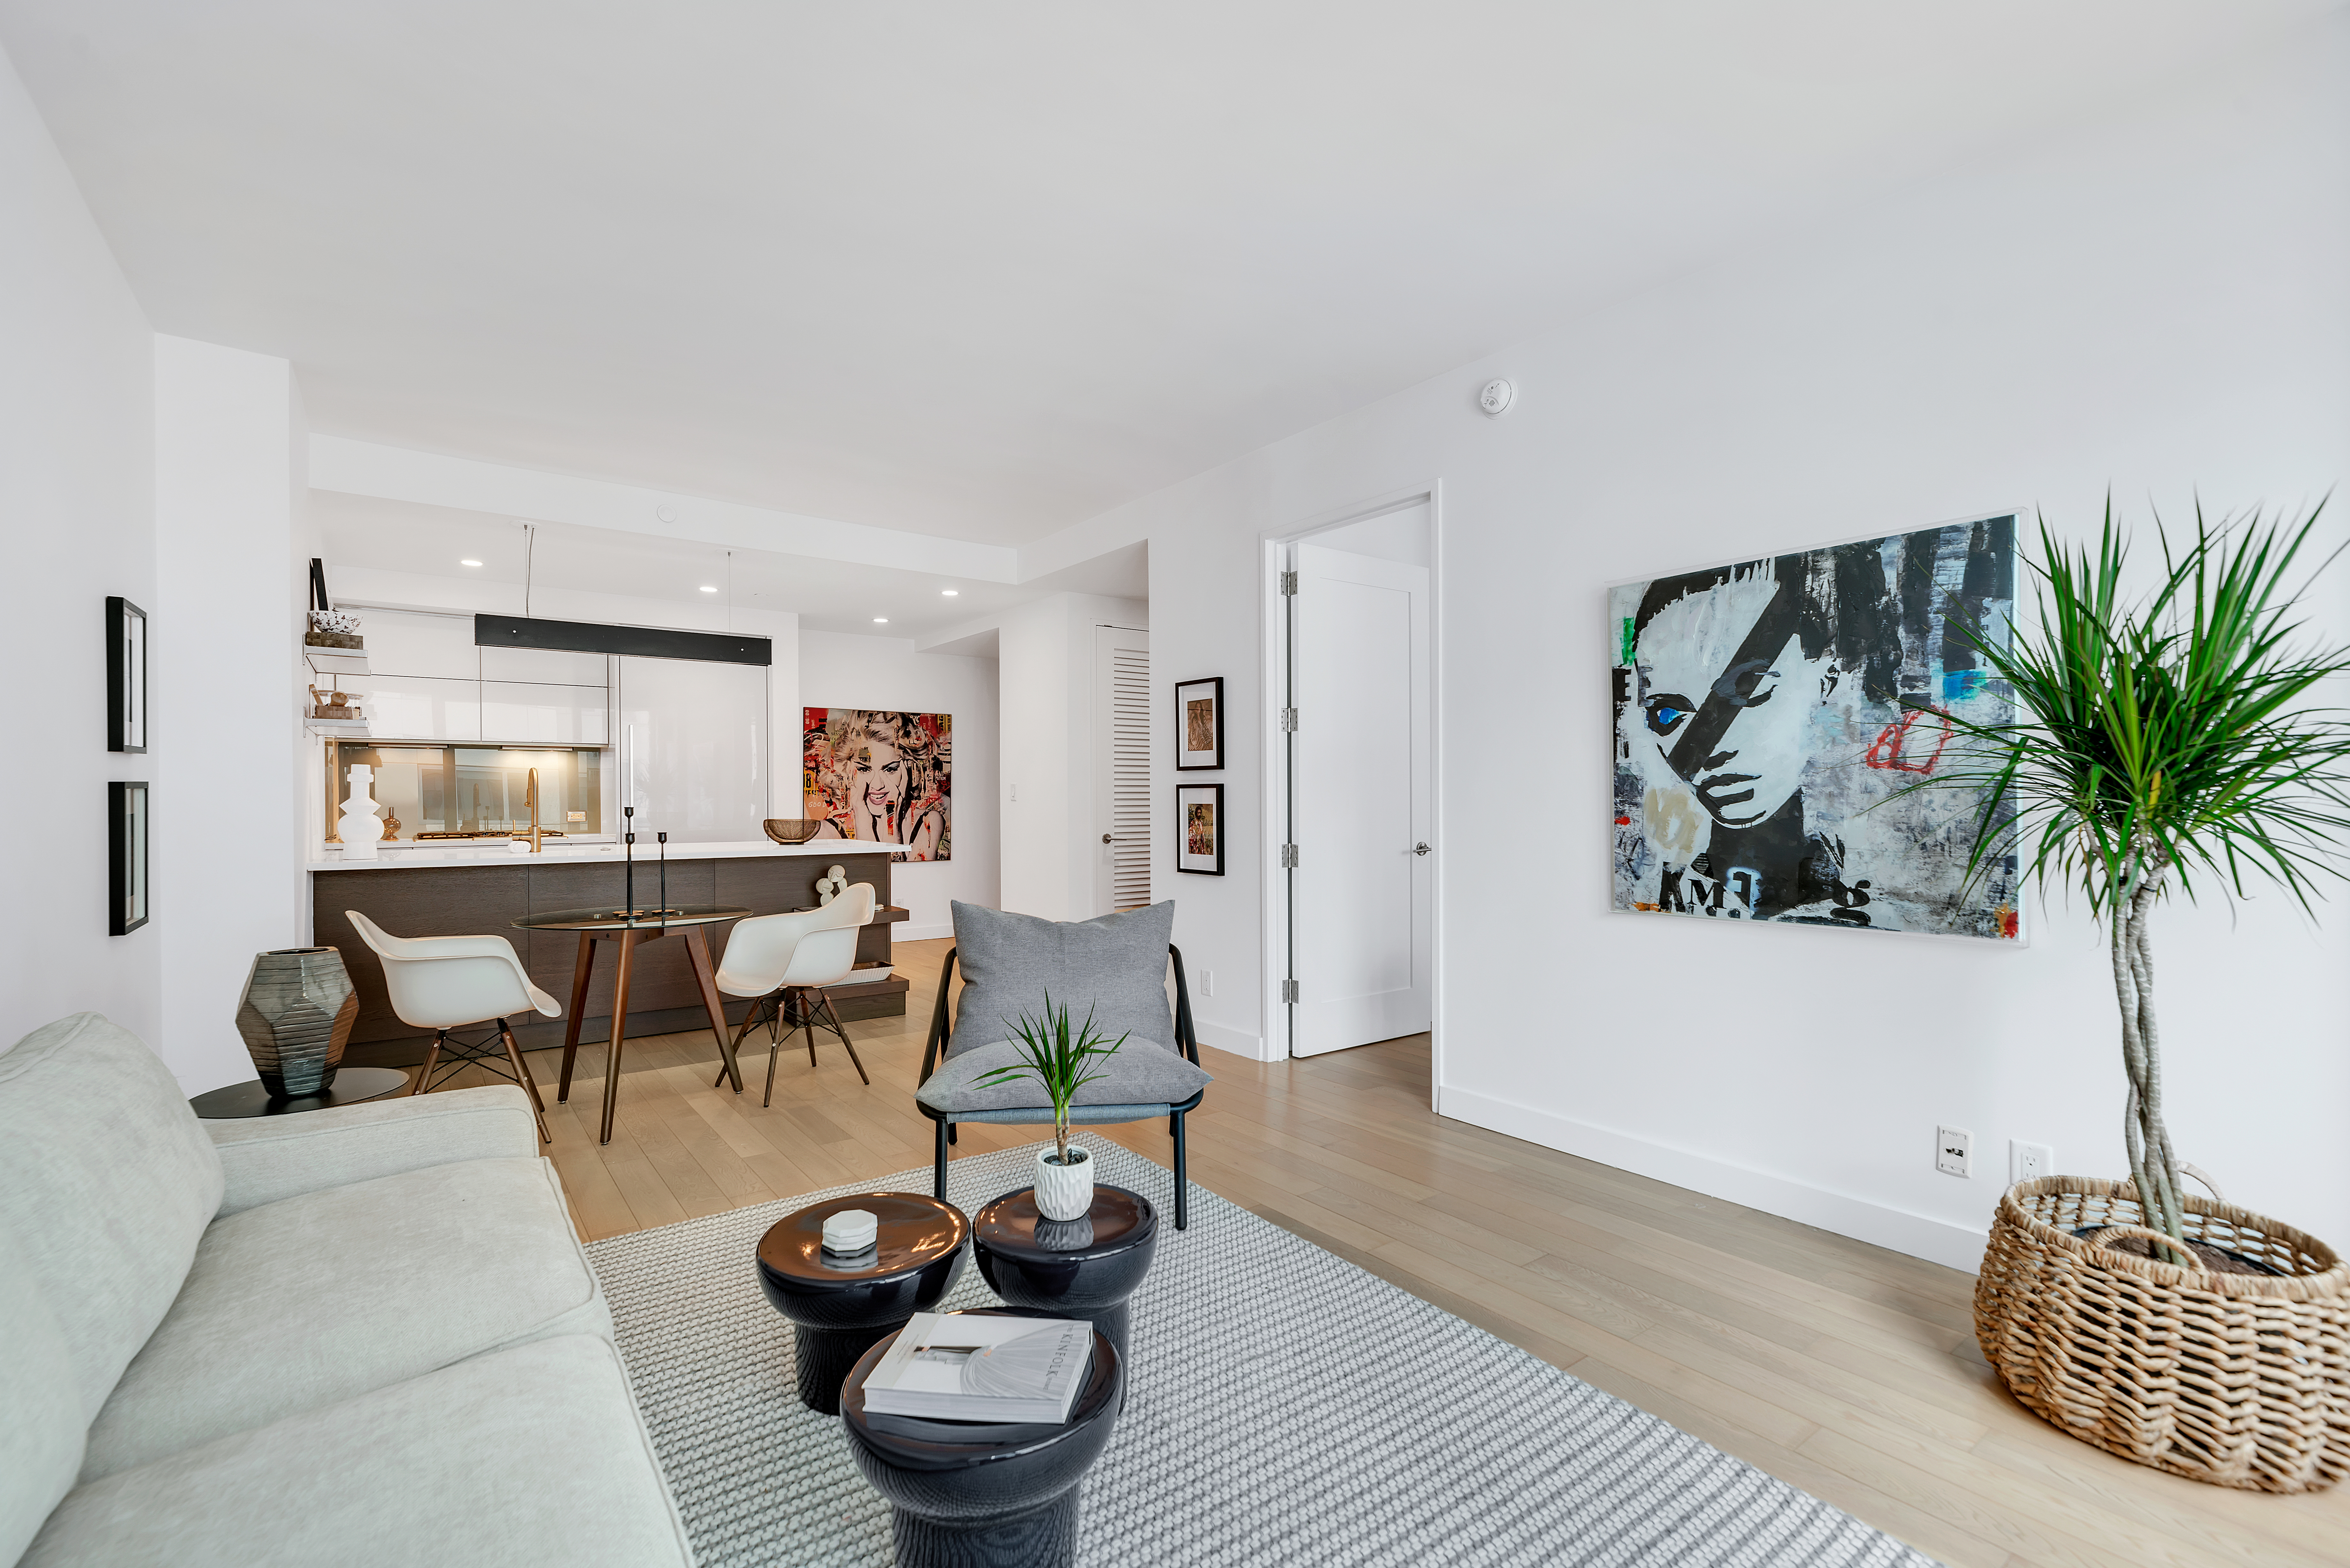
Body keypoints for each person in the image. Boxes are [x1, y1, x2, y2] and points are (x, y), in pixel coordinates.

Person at [1625, 549, 1895, 926]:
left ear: (1826, 681)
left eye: (1747, 690)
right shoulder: (1665, 877)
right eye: (1666, 713)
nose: (1709, 751)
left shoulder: (1874, 870)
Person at [807, 712, 950, 861]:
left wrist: (891, 824)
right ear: (849, 771)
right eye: (864, 770)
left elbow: (895, 874)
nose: (877, 785)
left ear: (910, 770)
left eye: (890, 770)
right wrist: (863, 821)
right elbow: (870, 873)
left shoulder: (929, 822)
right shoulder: (826, 831)